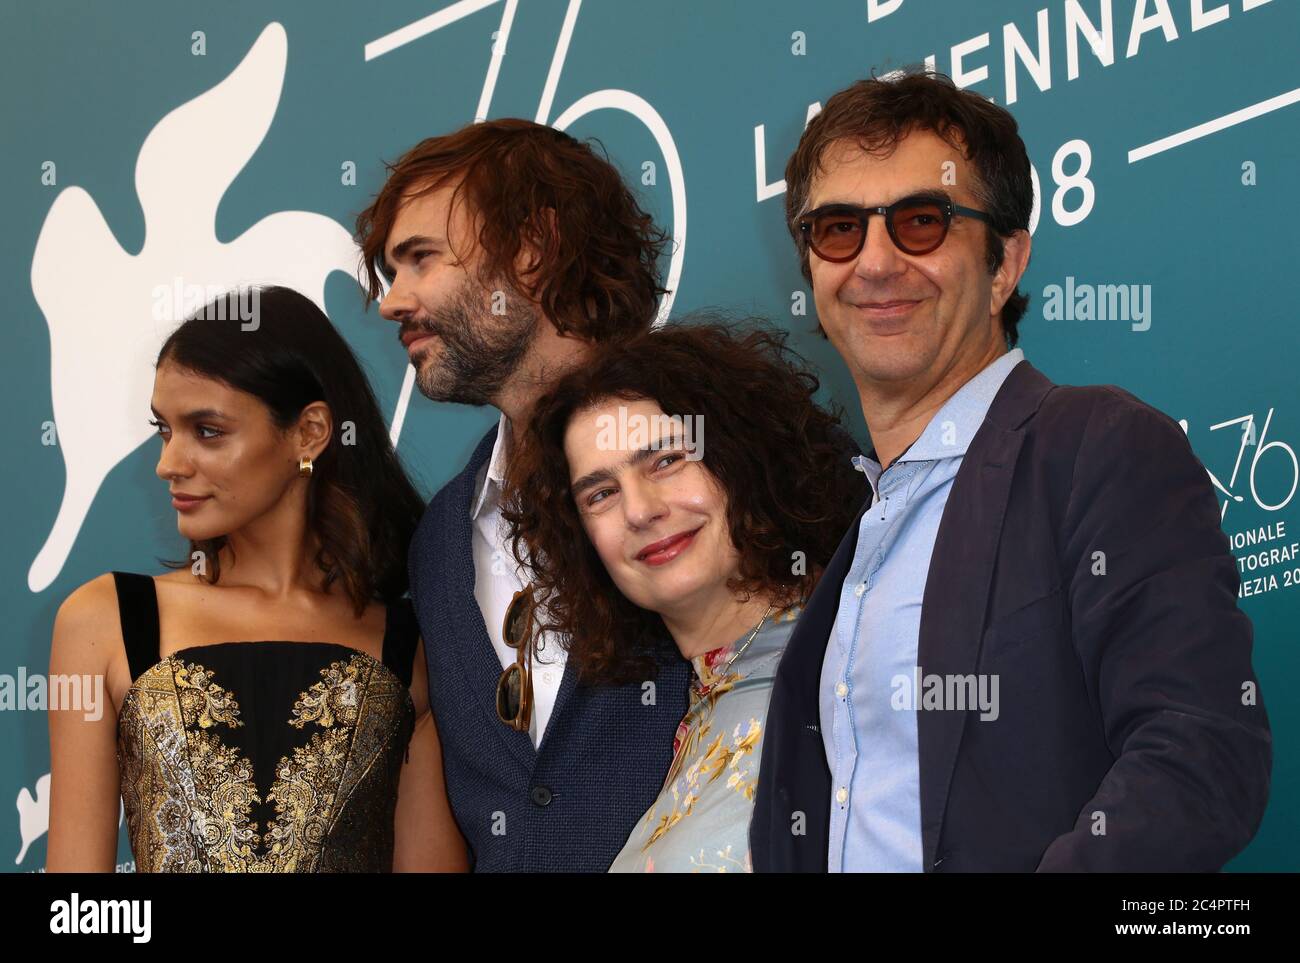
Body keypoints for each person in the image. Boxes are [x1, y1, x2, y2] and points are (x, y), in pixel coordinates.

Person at [751, 70, 1272, 872]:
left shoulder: (1098, 447)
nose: (876, 261)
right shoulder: (851, 538)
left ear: (1005, 263)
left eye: (921, 222)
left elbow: (1200, 751)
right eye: (839, 229)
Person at [355, 118, 692, 871]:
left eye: (419, 259)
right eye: (388, 269)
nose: (390, 301)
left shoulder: (718, 452)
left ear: (533, 250)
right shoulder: (439, 538)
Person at [47, 286, 467, 872]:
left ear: (310, 433)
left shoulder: (405, 642)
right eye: (165, 429)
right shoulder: (107, 620)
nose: (168, 463)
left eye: (208, 430)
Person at [499, 319, 866, 871]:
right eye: (600, 493)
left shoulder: (854, 664)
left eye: (667, 461)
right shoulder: (699, 702)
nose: (641, 509)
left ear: (743, 457)